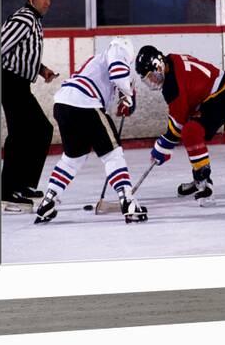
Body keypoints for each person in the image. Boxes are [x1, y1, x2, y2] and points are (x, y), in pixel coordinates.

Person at [33, 37, 148, 224]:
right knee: (112, 154)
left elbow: (113, 91)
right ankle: (128, 202)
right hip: (85, 104)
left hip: (63, 104)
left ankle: (48, 201)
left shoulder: (98, 62)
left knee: (72, 159)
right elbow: (119, 74)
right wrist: (128, 92)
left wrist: (124, 99)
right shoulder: (117, 51)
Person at [134, 45, 225, 205]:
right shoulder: (171, 59)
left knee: (190, 131)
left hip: (222, 99)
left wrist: (162, 146)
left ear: (159, 65)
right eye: (148, 79)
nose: (152, 81)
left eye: (151, 76)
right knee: (190, 128)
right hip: (214, 96)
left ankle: (205, 184)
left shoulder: (172, 86)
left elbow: (177, 128)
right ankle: (198, 179)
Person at [0, 0, 59, 212]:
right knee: (20, 134)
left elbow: (22, 52)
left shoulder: (34, 20)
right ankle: (5, 191)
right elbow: (0, 47)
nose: (47, 2)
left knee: (41, 130)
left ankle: (22, 184)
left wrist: (41, 69)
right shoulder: (24, 19)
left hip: (19, 83)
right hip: (9, 81)